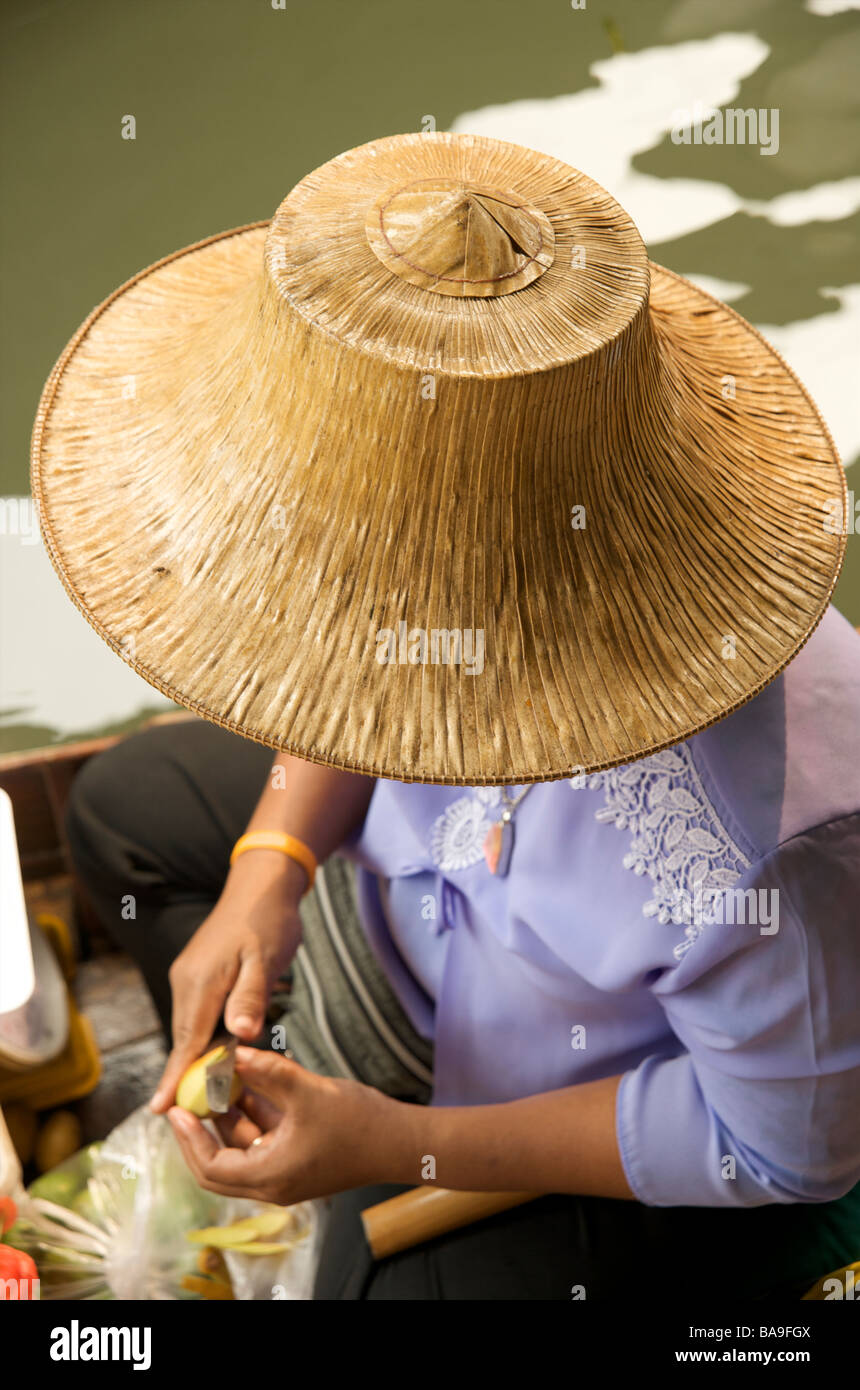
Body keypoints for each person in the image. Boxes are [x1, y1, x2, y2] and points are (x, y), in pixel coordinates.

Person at [36, 132, 860, 1299]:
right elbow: (338, 689)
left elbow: (779, 1147)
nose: (358, 661)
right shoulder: (403, 598)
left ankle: (338, 1148)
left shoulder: (779, 846)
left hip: (549, 1106)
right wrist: (269, 868)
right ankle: (300, 1098)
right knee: (124, 814)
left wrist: (396, 1146)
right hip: (394, 913)